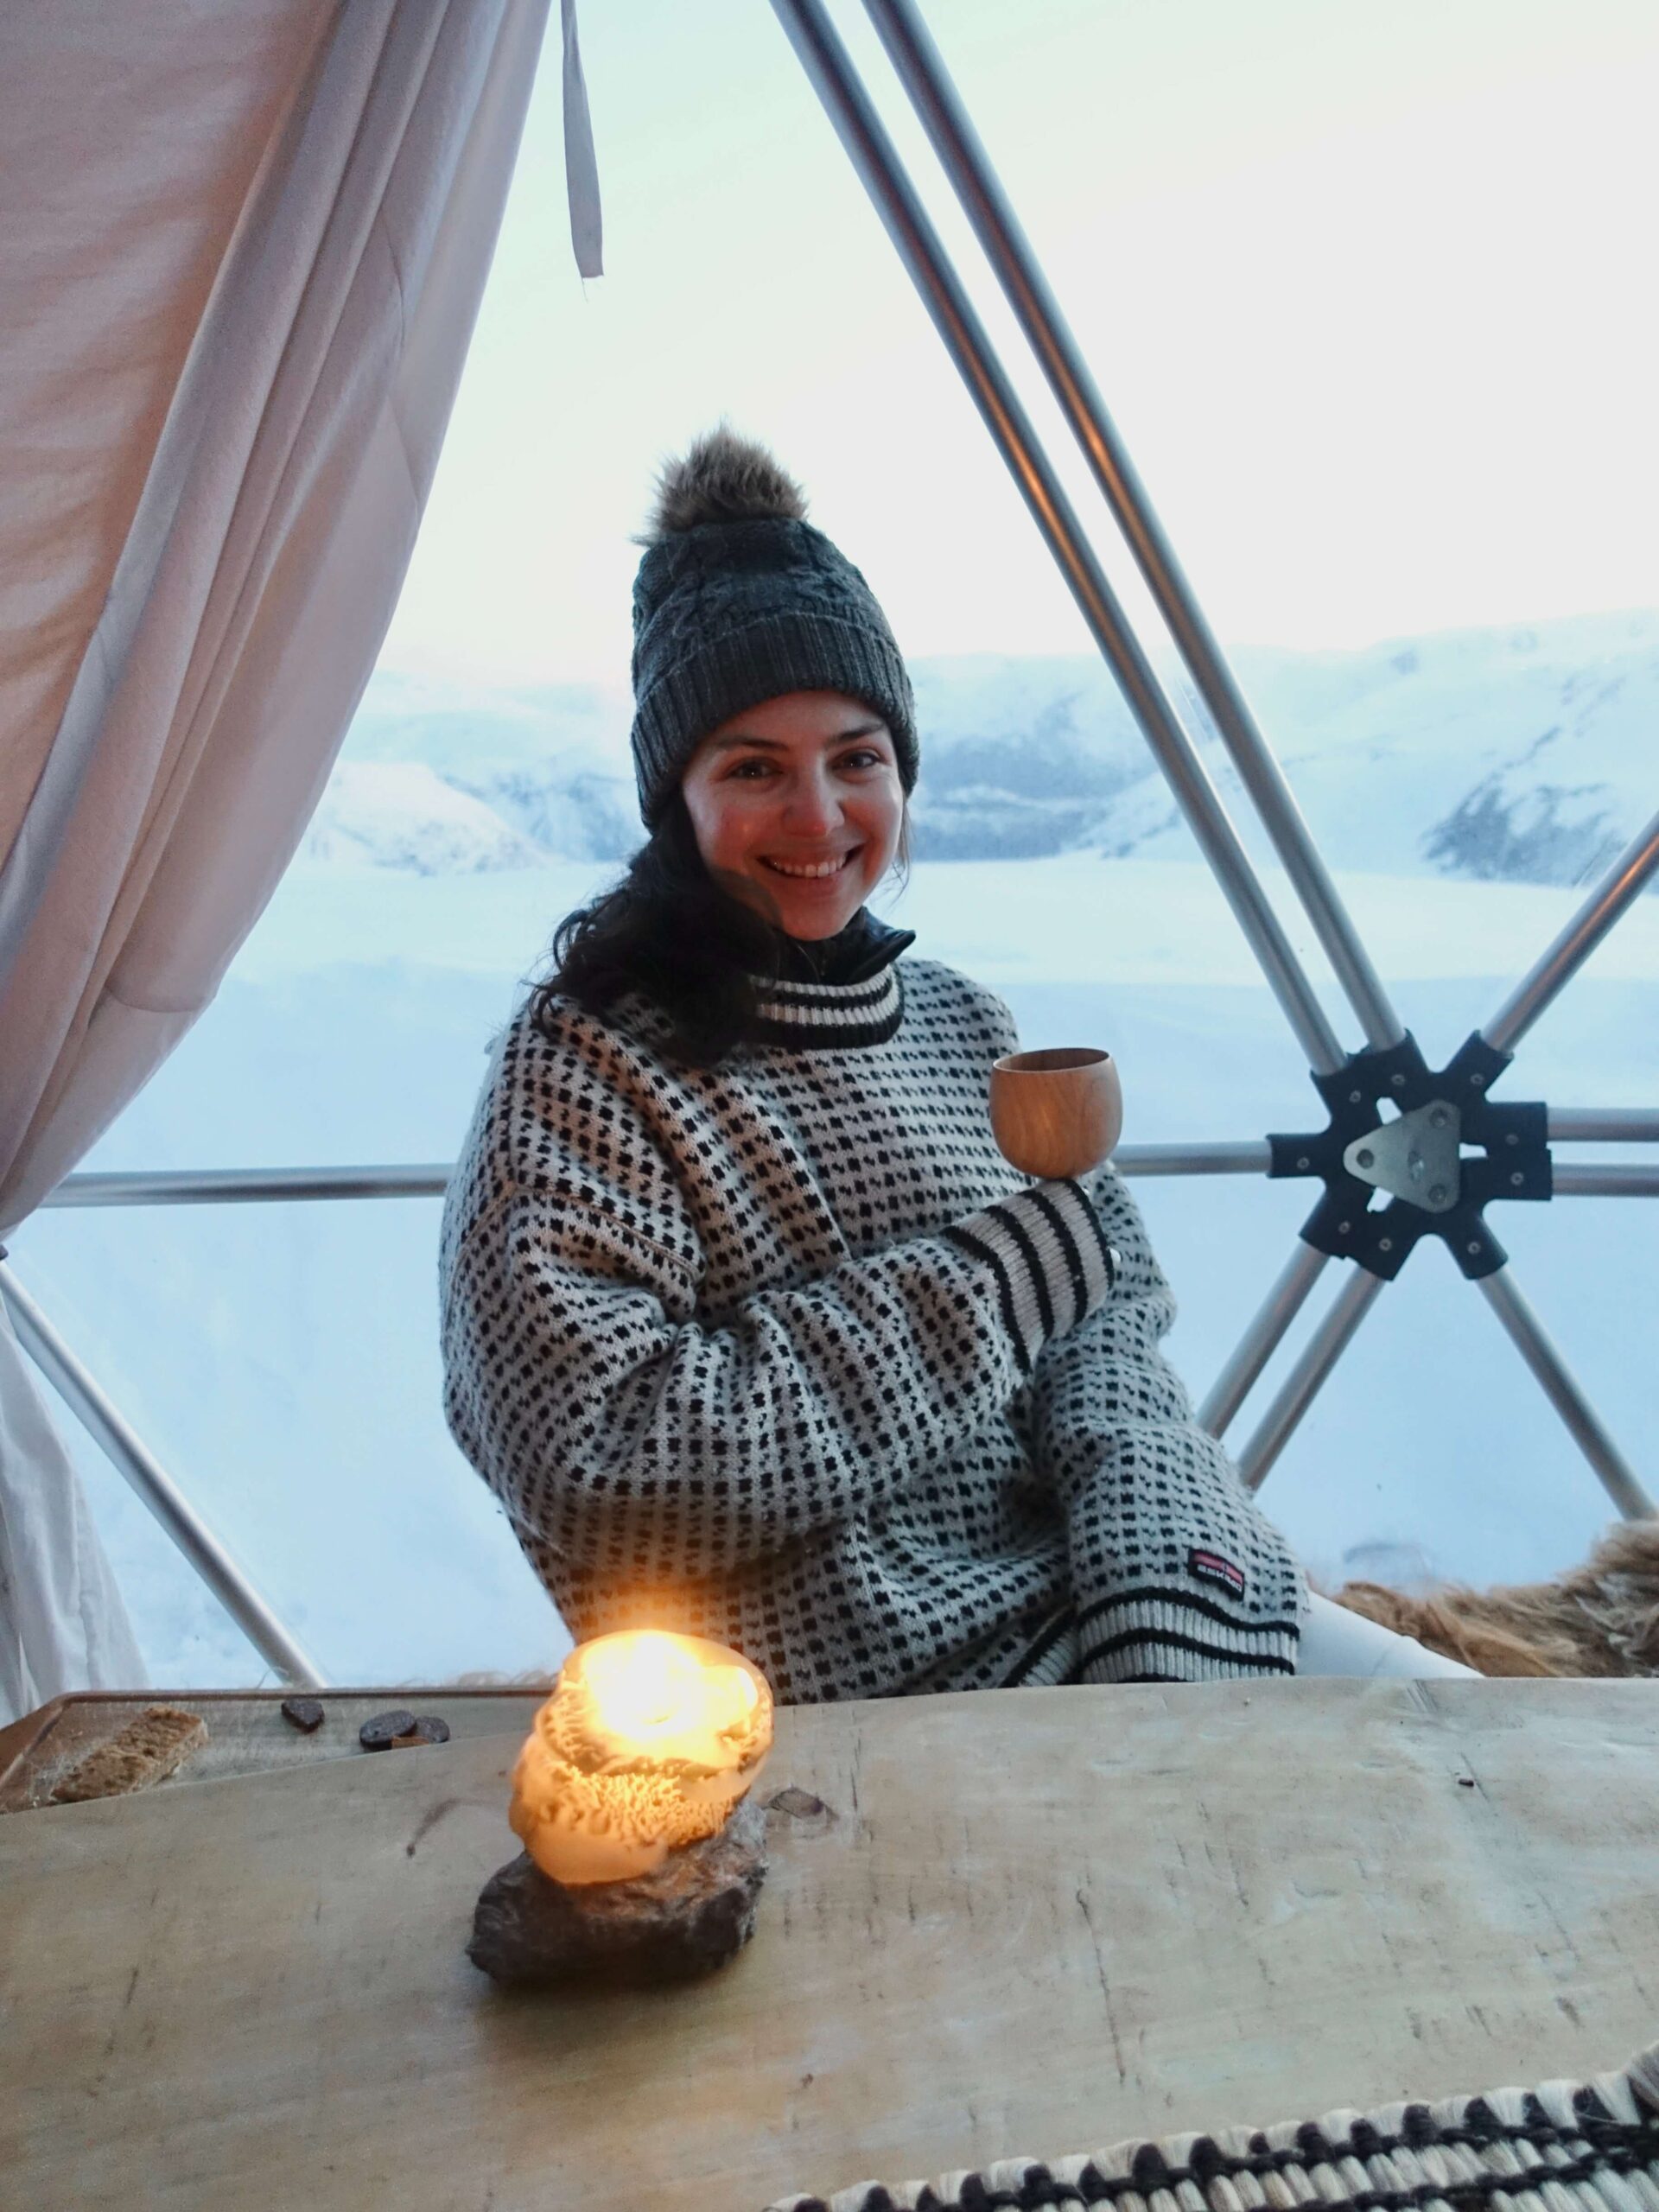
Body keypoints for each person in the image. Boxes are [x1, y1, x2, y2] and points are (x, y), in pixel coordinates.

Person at [439, 425, 1312, 1704]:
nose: (820, 816)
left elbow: (1108, 1343)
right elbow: (600, 1460)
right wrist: (1001, 1283)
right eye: (753, 769)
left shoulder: (962, 1023)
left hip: (1111, 1630)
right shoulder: (588, 1062)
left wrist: (1173, 1599)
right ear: (673, 801)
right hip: (851, 1724)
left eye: (859, 758)